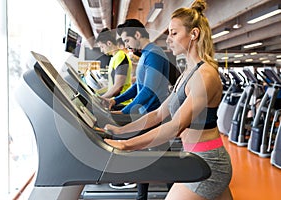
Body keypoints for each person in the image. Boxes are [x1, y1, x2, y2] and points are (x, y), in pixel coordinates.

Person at [103, 1, 233, 200]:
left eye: (174, 33)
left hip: (208, 163)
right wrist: (120, 131)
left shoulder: (205, 75)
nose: (169, 39)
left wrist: (127, 145)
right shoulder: (187, 74)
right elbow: (159, 113)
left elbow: (175, 126)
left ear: (194, 34)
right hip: (194, 158)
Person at [102, 19, 170, 199]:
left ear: (137, 35)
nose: (126, 45)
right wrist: (115, 101)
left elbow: (149, 90)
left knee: (162, 160)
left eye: (127, 40)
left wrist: (124, 112)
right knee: (151, 159)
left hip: (153, 115)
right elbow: (137, 87)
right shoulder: (147, 54)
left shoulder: (154, 53)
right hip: (147, 113)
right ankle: (145, 195)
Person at [96, 28, 133, 108]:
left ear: (109, 43)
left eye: (102, 47)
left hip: (122, 103)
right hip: (115, 102)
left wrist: (101, 98)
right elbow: (113, 84)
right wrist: (97, 94)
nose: (102, 50)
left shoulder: (120, 56)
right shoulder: (114, 58)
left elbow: (118, 87)